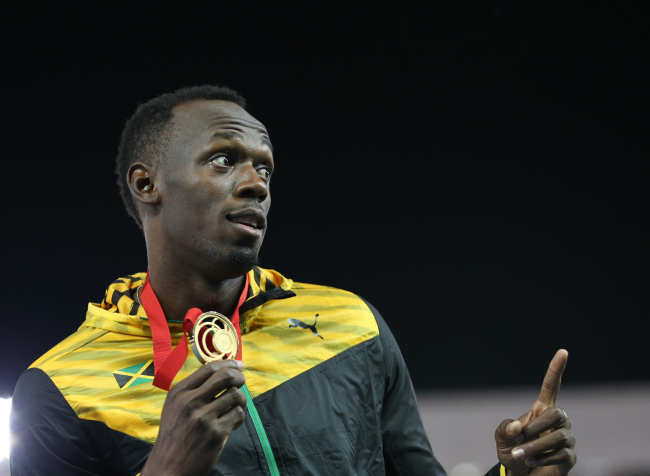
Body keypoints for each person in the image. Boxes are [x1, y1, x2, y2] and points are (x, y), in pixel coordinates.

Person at [10, 85, 577, 476]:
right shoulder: (62, 386)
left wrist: (515, 473)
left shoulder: (350, 324)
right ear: (146, 184)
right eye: (223, 159)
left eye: (265, 168)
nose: (256, 183)